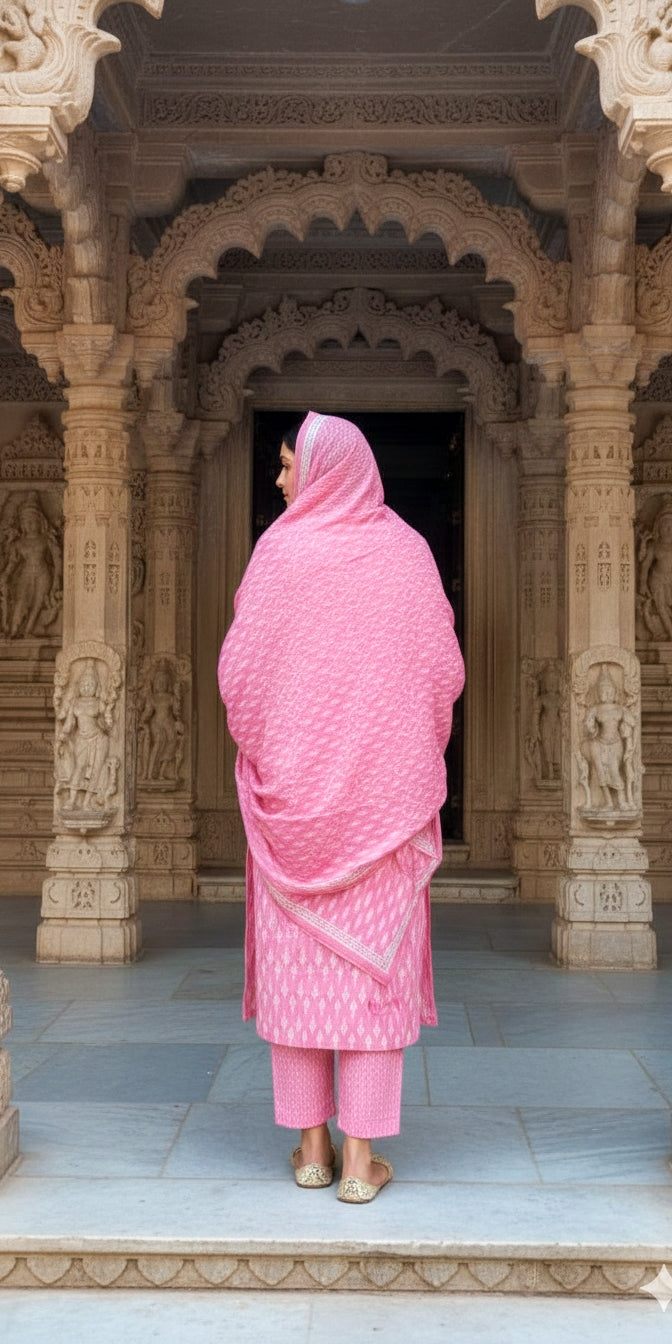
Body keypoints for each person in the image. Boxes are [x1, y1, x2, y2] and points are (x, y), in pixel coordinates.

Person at [218, 412, 464, 1203]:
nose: (280, 479)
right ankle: (361, 1162)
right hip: (384, 812)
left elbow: (240, 680)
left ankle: (312, 1149)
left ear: (323, 468)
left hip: (290, 811)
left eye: (287, 464)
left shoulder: (278, 553)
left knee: (299, 978)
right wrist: (392, 756)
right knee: (370, 981)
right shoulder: (408, 554)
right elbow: (441, 673)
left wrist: (283, 756)